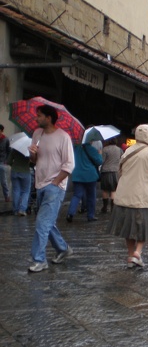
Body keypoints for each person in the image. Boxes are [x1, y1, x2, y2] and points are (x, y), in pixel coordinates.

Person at [107, 124, 148, 268]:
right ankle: (138, 252)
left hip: (124, 194)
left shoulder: (127, 151)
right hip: (142, 196)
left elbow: (120, 172)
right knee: (144, 226)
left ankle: (131, 255)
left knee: (127, 227)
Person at [28, 104, 75, 272]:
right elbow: (34, 161)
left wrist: (56, 182)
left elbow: (69, 165)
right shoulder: (37, 134)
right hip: (39, 183)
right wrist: (32, 153)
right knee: (47, 222)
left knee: (42, 223)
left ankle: (39, 260)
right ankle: (63, 249)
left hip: (54, 187)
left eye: (39, 115)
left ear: (49, 118)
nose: (36, 118)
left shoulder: (63, 137)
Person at [66, 140, 103, 222]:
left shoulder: (75, 148)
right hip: (90, 175)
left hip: (77, 175)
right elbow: (99, 161)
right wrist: (100, 153)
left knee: (77, 195)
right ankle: (90, 215)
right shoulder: (91, 149)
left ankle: (70, 213)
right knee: (91, 196)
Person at [6, 147, 32, 216]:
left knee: (16, 191)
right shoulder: (29, 150)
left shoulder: (14, 149)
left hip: (14, 171)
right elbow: (33, 163)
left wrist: (14, 165)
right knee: (25, 191)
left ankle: (15, 210)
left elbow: (8, 161)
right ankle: (22, 209)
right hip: (25, 172)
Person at [100, 138, 122, 213]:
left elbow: (101, 161)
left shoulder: (105, 149)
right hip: (115, 171)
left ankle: (105, 207)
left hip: (105, 171)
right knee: (114, 190)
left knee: (105, 190)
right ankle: (113, 208)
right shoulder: (119, 149)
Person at [0, 124, 11, 202]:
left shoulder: (6, 139)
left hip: (2, 162)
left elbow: (9, 151)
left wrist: (6, 160)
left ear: (2, 131)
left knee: (3, 181)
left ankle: (7, 196)